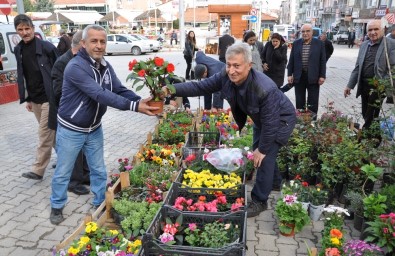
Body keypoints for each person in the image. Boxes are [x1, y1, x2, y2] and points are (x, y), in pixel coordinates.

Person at [162, 43, 296, 218]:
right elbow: (199, 87)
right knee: (263, 155)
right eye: (229, 64)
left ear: (249, 65)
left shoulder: (265, 88)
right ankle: (275, 182)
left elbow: (271, 124)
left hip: (280, 121)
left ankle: (260, 200)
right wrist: (171, 89)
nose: (231, 70)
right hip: (261, 119)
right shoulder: (225, 76)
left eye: (237, 66)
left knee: (263, 156)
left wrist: (262, 150)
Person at [49, 25, 158, 225]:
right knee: (64, 171)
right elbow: (100, 94)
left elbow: (118, 89)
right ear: (83, 43)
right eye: (94, 41)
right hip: (71, 129)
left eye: (102, 41)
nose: (99, 46)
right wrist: (135, 107)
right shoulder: (75, 67)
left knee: (98, 169)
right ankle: (57, 206)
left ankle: (100, 203)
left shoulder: (105, 66)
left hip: (94, 128)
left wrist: (142, 101)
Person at [14, 14, 59, 180]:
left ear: (33, 28)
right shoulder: (18, 49)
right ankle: (68, 160)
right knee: (52, 134)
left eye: (27, 28)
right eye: (20, 29)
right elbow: (24, 75)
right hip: (35, 100)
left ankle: (38, 170)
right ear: (16, 31)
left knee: (44, 133)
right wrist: (27, 98)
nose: (25, 32)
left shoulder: (46, 47)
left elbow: (60, 70)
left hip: (49, 99)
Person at [49, 30, 90, 196]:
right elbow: (58, 92)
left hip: (84, 112)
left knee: (85, 146)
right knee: (73, 149)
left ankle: (85, 175)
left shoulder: (85, 59)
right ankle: (73, 182)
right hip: (69, 115)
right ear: (82, 44)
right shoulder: (62, 63)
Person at [344, 20, 395, 142]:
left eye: (376, 29)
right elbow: (357, 67)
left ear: (383, 29)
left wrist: (384, 84)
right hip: (364, 85)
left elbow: (393, 69)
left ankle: (364, 141)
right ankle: (376, 137)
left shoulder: (391, 44)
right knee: (366, 113)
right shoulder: (364, 45)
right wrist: (349, 85)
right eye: (370, 30)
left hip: (379, 87)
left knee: (370, 114)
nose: (373, 32)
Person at [287, 23, 326, 117]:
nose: (305, 33)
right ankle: (300, 122)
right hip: (299, 77)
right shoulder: (296, 43)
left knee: (313, 102)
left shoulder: (319, 44)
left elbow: (322, 61)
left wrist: (322, 76)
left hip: (314, 77)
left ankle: (312, 123)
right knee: (299, 101)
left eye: (308, 31)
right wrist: (289, 74)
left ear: (312, 32)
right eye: (303, 31)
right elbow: (291, 59)